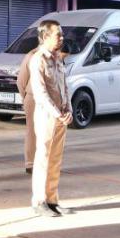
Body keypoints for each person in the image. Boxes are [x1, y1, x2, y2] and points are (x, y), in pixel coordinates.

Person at [29, 21, 73, 217]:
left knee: (55, 160)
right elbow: (40, 93)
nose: (61, 38)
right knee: (43, 159)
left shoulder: (58, 59)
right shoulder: (38, 60)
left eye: (61, 35)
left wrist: (69, 109)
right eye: (58, 35)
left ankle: (52, 200)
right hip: (46, 115)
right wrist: (58, 114)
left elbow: (65, 87)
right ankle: (39, 201)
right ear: (45, 37)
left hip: (61, 116)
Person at [16, 44, 40, 175]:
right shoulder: (32, 56)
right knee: (32, 131)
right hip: (34, 98)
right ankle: (30, 163)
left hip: (51, 101)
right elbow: (21, 81)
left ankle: (43, 162)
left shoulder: (55, 57)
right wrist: (26, 96)